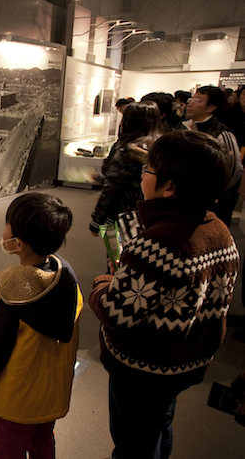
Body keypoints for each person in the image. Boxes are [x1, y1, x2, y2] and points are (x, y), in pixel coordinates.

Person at [90, 131, 240, 459]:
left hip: (143, 368)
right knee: (160, 424)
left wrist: (102, 284)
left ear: (169, 187)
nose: (142, 175)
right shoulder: (219, 230)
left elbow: (117, 314)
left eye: (148, 171)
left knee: (134, 442)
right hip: (183, 362)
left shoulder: (156, 244)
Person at [0, 192, 82, 459]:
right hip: (51, 397)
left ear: (18, 243)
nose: (2, 229)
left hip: (15, 404)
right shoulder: (68, 280)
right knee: (43, 446)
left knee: (6, 453)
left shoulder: (7, 294)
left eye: (7, 224)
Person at [90, 103, 162, 241]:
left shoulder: (129, 150)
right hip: (153, 214)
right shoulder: (160, 145)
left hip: (124, 215)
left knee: (119, 256)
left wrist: (97, 220)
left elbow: (113, 187)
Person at [183, 85, 242, 225]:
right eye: (192, 98)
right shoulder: (184, 127)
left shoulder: (222, 134)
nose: (191, 103)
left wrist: (215, 195)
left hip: (211, 204)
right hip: (185, 199)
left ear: (211, 107)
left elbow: (233, 170)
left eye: (198, 100)